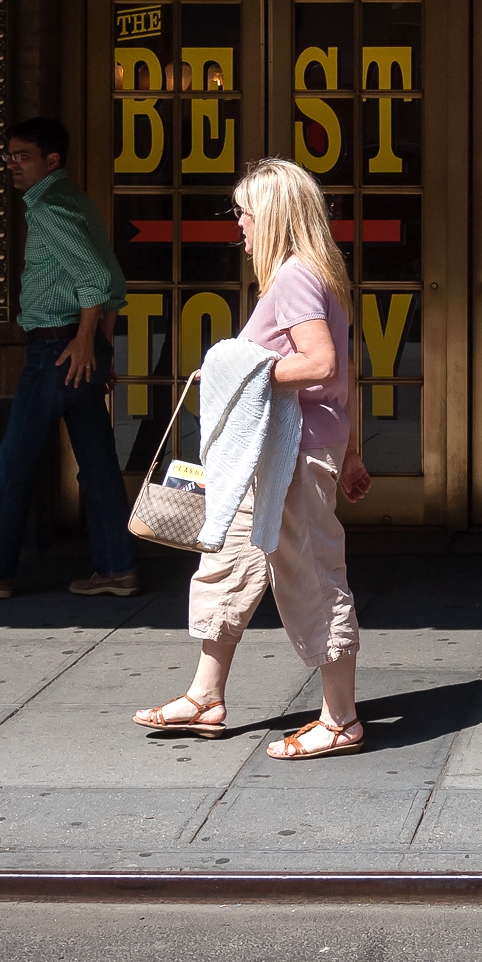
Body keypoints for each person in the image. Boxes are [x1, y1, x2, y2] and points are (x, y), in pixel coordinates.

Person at [133, 157, 376, 755]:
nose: (237, 224)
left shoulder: (294, 277)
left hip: (289, 455)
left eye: (242, 212)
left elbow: (322, 364)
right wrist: (352, 452)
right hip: (280, 452)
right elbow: (348, 375)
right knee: (230, 565)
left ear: (269, 214)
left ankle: (341, 719)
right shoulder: (318, 273)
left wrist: (237, 373)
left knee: (312, 574)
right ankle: (205, 695)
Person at [0, 119, 136, 600]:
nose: (12, 165)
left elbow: (94, 278)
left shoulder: (49, 204)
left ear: (52, 161)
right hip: (77, 348)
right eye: (9, 156)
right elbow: (112, 279)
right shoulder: (76, 200)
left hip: (56, 349)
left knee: (15, 460)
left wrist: (87, 342)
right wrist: (100, 346)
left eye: (23, 156)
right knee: (97, 463)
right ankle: (116, 568)